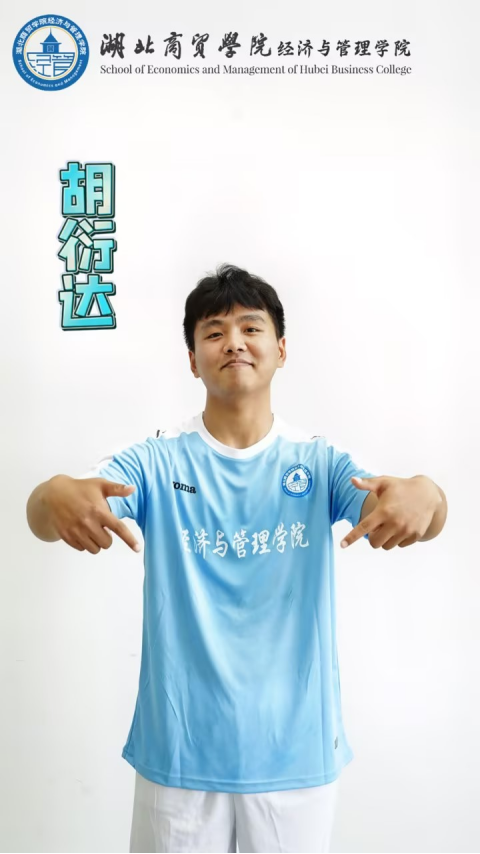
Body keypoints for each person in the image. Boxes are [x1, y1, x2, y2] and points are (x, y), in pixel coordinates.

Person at [26, 264, 447, 854]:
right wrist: (52, 496)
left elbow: (414, 510)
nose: (234, 342)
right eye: (214, 332)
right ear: (192, 359)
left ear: (281, 349)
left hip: (294, 754)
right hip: (179, 752)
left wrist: (428, 493)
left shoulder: (319, 461)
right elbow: (49, 510)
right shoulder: (157, 461)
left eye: (251, 328)